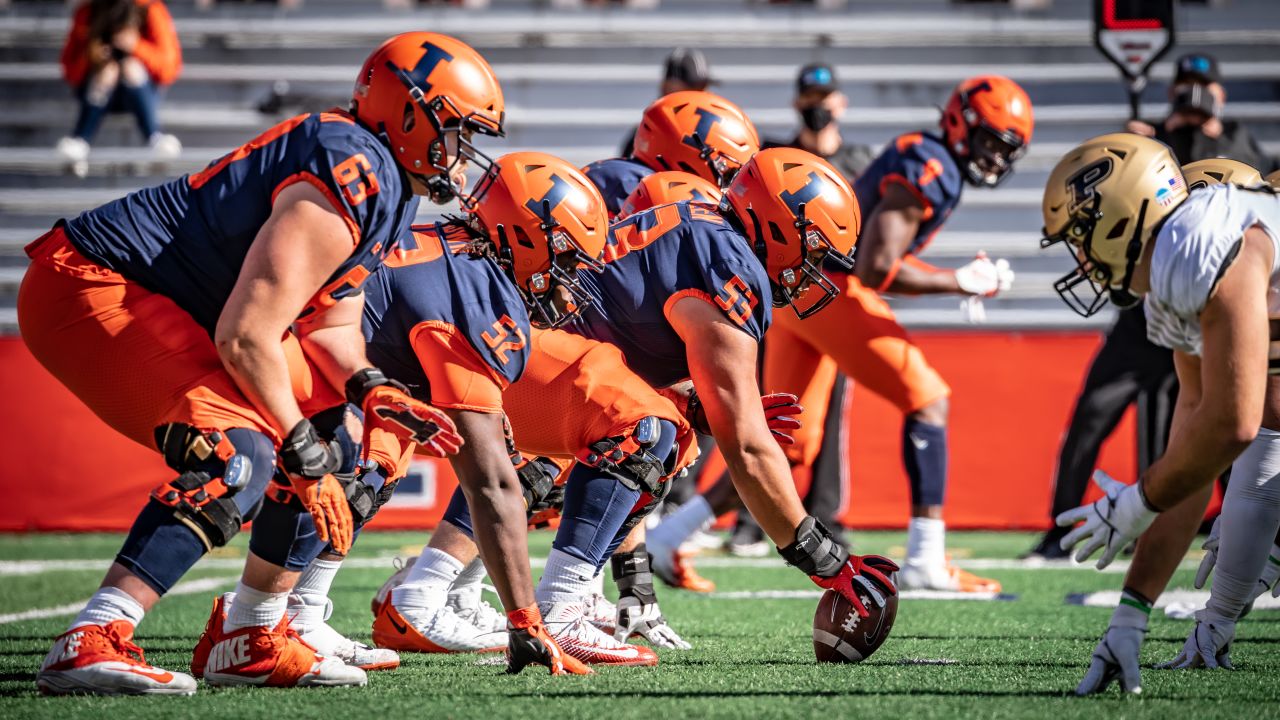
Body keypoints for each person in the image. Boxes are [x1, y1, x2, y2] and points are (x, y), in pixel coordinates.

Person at [26, 31, 506, 695]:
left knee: (337, 434)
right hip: (95, 284)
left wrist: (371, 388)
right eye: (456, 130)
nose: (462, 152)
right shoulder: (354, 166)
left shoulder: (390, 186)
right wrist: (296, 447)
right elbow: (247, 334)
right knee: (240, 458)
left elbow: (334, 326)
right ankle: (93, 636)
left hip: (179, 304)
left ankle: (247, 634)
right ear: (408, 113)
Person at [648, 76, 1029, 594]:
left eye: (1004, 149)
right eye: (989, 142)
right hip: (829, 291)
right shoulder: (930, 167)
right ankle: (925, 558)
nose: (995, 158)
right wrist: (957, 280)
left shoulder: (924, 155)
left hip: (801, 293)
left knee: (782, 440)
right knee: (929, 401)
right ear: (962, 124)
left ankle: (671, 535)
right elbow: (874, 267)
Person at [1044, 135, 1280, 695]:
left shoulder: (1194, 242)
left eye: (1079, 236)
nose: (1081, 258)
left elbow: (1234, 424)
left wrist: (1137, 501)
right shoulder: (1171, 287)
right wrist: (1131, 615)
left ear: (1122, 216)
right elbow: (1197, 454)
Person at [1025, 53, 1279, 558]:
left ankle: (1240, 521)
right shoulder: (1151, 142)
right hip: (1150, 298)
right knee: (1102, 411)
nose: (1192, 96)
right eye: (1184, 86)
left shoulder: (1238, 144)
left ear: (1220, 95)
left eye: (1202, 86)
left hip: (1215, 294)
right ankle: (1063, 525)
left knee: (1217, 414)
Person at [585, 89, 759, 217]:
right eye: (729, 174)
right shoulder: (635, 188)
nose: (731, 185)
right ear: (696, 154)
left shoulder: (620, 173)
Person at [57, 0, 183, 175]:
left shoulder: (150, 10)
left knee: (132, 68)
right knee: (108, 71)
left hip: (141, 90)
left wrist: (135, 46)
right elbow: (69, 70)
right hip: (97, 90)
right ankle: (80, 141)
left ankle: (155, 138)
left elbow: (168, 69)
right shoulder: (87, 11)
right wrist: (92, 56)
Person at [1127, 53, 1278, 175]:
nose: (1195, 91)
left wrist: (1220, 139)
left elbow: (1264, 174)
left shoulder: (1234, 133)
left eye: (1204, 85)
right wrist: (1158, 137)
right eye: (1187, 83)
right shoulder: (1152, 134)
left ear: (1221, 96)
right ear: (1172, 93)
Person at [619, 48, 716, 158]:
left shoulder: (714, 132)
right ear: (666, 86)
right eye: (692, 87)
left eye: (703, 87)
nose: (701, 95)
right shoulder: (645, 133)